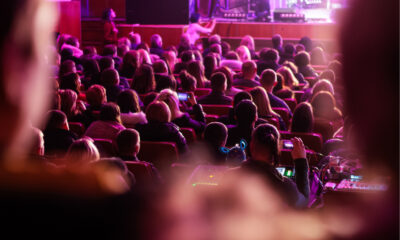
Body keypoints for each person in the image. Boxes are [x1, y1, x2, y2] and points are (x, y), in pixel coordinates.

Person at [240, 124, 310, 208]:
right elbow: (303, 203)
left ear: (251, 146)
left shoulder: (231, 176)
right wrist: (301, 161)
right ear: (277, 150)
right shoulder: (285, 185)